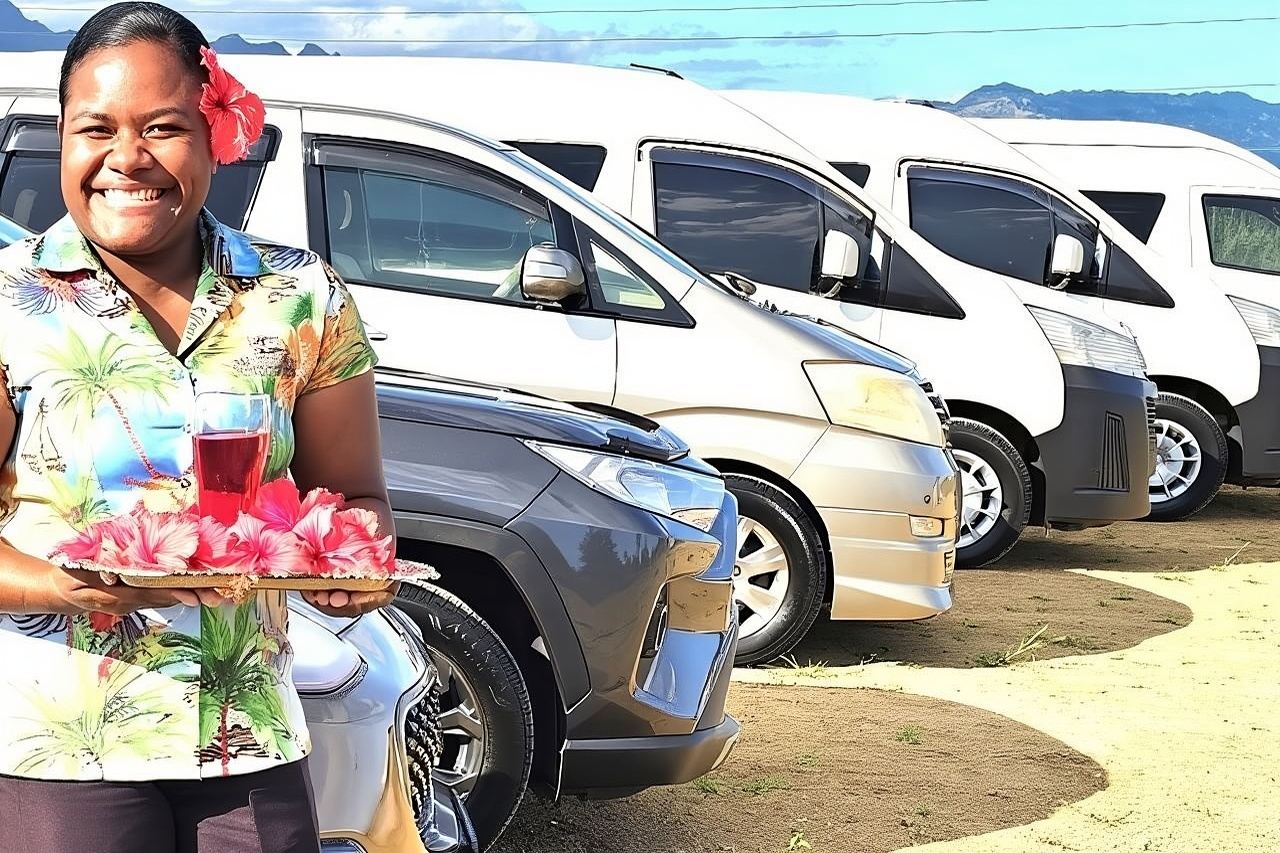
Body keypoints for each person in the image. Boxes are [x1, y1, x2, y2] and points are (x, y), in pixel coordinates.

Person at [0, 3, 397, 850]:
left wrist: (351, 564)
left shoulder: (301, 295)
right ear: (62, 139)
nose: (125, 159)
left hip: (246, 731)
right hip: (63, 747)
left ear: (218, 132)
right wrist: (63, 586)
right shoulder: (9, 303)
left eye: (164, 127)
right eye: (93, 128)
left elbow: (354, 495)